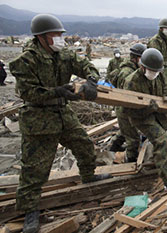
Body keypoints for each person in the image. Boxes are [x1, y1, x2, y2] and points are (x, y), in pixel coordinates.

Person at [9, 14, 111, 233]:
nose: (59, 38)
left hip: (62, 112)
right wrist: (56, 91)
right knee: (35, 167)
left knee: (83, 144)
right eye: (55, 35)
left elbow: (85, 66)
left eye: (60, 34)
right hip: (38, 117)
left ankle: (88, 175)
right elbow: (27, 92)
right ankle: (30, 210)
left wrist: (91, 79)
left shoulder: (64, 55)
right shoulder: (26, 60)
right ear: (42, 37)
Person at [123, 48, 167, 193]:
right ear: (142, 66)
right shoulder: (131, 82)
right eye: (151, 71)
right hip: (141, 117)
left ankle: (165, 162)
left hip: (157, 113)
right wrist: (148, 108)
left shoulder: (158, 75)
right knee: (162, 140)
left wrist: (166, 99)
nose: (154, 74)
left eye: (156, 71)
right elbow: (127, 110)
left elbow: (164, 90)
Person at [109, 43, 147, 161]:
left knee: (125, 130)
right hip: (125, 108)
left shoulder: (133, 69)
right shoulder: (127, 72)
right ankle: (130, 160)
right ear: (135, 58)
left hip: (127, 108)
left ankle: (112, 148)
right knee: (133, 139)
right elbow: (126, 95)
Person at [147, 18, 167, 99]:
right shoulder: (155, 41)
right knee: (158, 93)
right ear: (161, 28)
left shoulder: (166, 41)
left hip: (166, 71)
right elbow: (154, 59)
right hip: (157, 71)